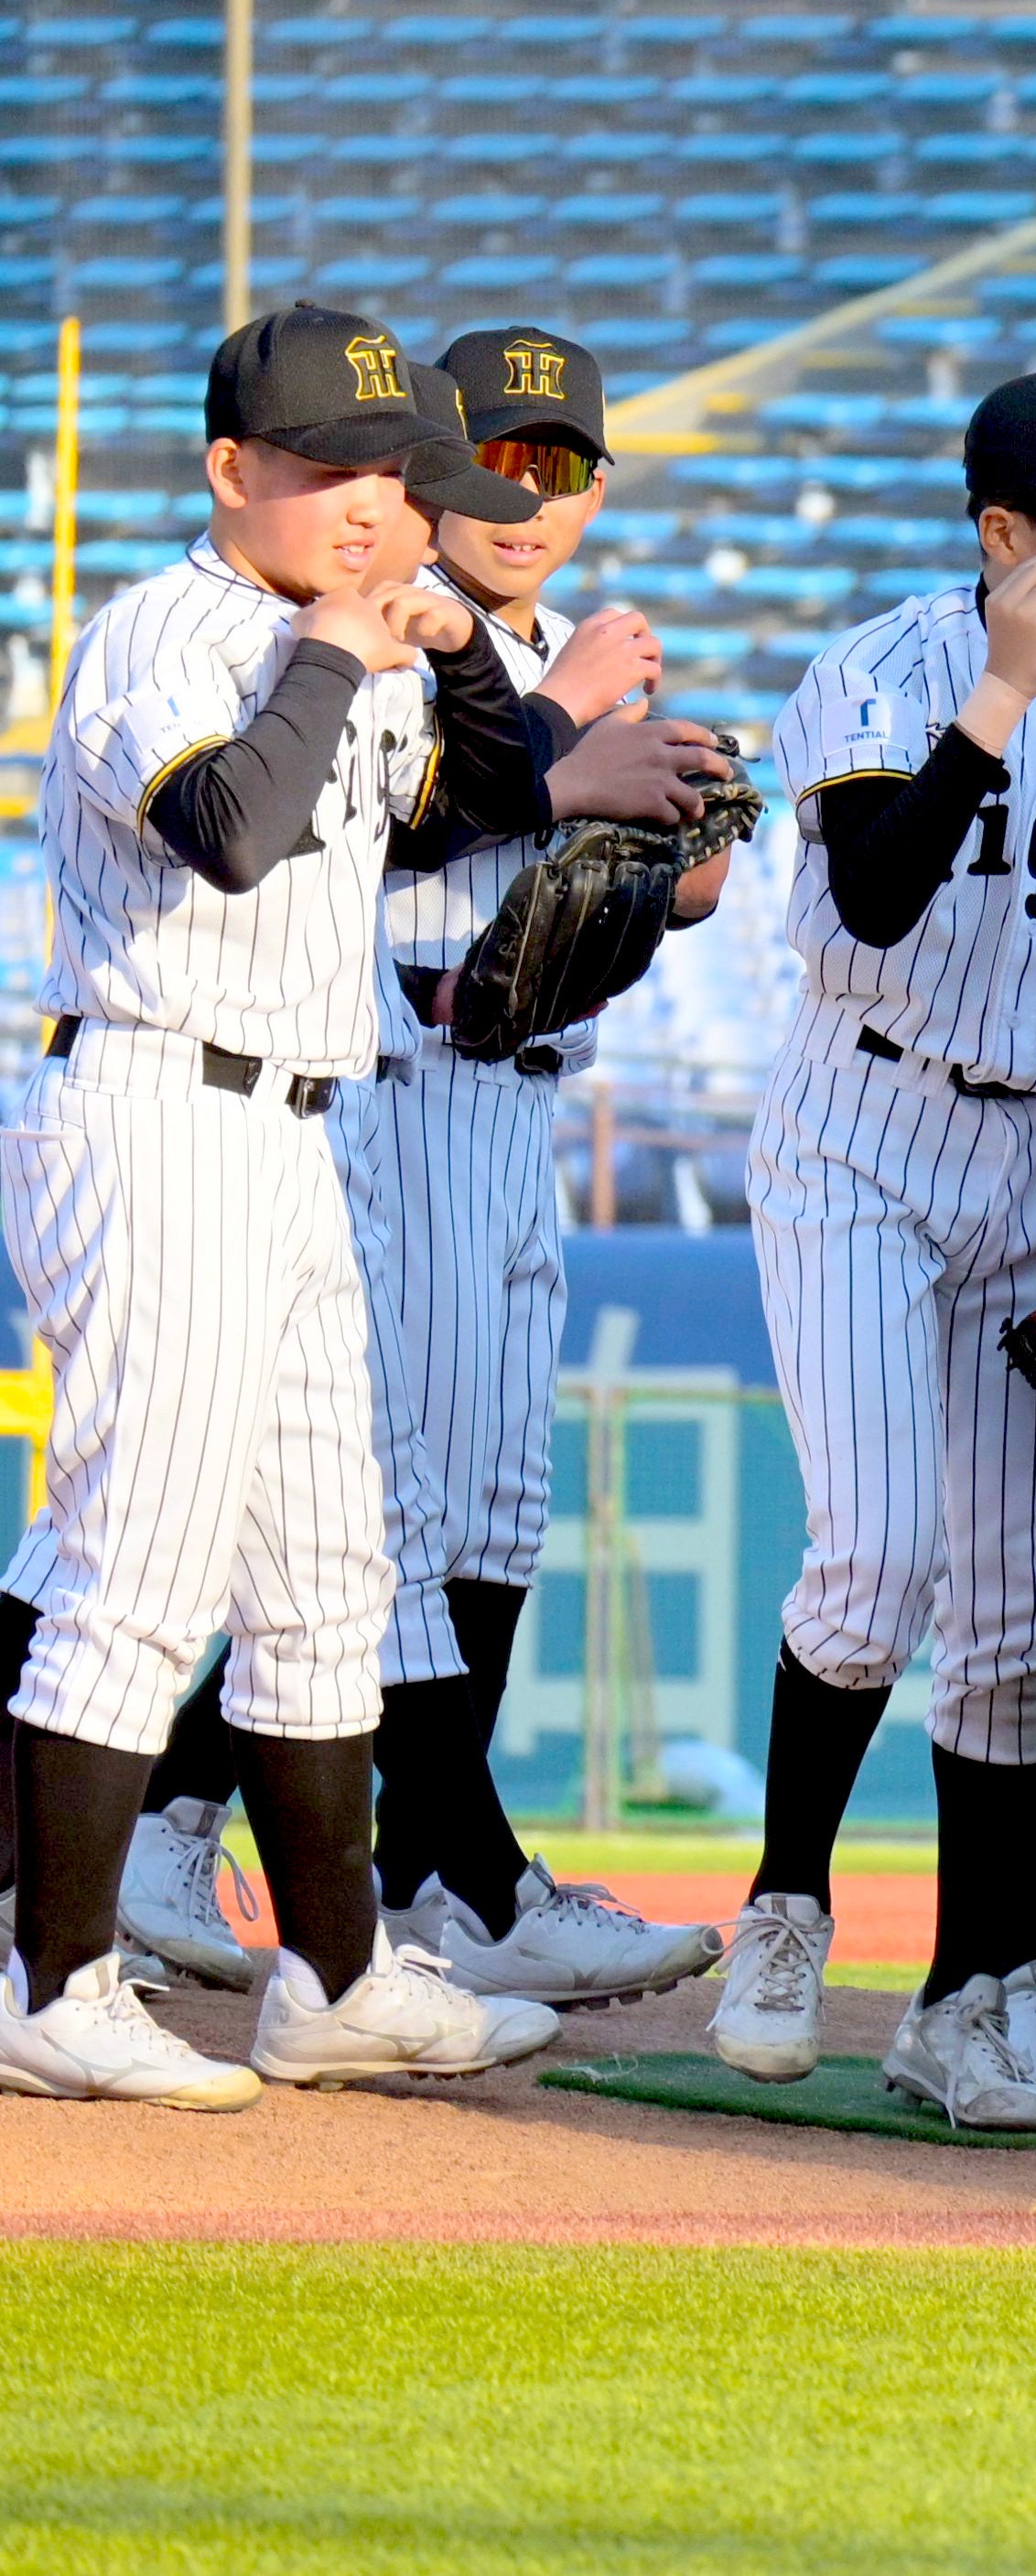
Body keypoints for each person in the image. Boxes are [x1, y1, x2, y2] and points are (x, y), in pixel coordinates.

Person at [0, 304, 562, 2103]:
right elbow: (230, 831)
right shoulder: (162, 632)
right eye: (332, 473)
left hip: (305, 1128)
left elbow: (502, 797)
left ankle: (333, 1976)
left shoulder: (372, 635)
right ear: (233, 469)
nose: (373, 506)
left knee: (331, 1576)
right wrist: (338, 641)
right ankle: (51, 1982)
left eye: (395, 475)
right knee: (139, 1566)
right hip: (155, 1106)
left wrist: (458, 652)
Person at [711, 361, 1036, 2132]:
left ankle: (961, 2003)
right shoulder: (881, 669)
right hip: (861, 1131)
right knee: (874, 1564)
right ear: (1003, 532)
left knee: (1018, 1619)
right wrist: (1003, 693)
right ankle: (786, 1909)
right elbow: (872, 896)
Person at [348, 328, 746, 2007]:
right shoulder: (393, 623)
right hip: (395, 1083)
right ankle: (471, 1880)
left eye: (560, 466)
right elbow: (365, 828)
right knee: (402, 1517)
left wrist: (661, 870)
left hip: (514, 1099)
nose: (527, 499)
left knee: (494, 1509)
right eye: (498, 459)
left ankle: (405, 1874)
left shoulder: (533, 649)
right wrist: (569, 739)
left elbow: (562, 914)